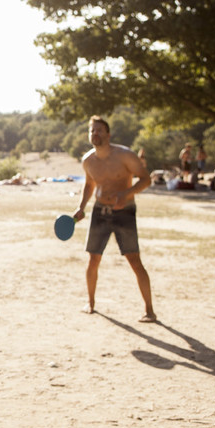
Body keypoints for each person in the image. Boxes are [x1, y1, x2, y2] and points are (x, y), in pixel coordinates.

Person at [73, 115, 156, 323]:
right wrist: (81, 207)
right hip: (100, 212)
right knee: (93, 259)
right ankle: (90, 303)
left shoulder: (125, 155)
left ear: (108, 134)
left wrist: (125, 194)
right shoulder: (88, 160)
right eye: (92, 131)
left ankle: (149, 311)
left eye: (100, 130)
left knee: (134, 261)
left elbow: (146, 179)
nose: (96, 134)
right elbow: (89, 185)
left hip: (124, 212)